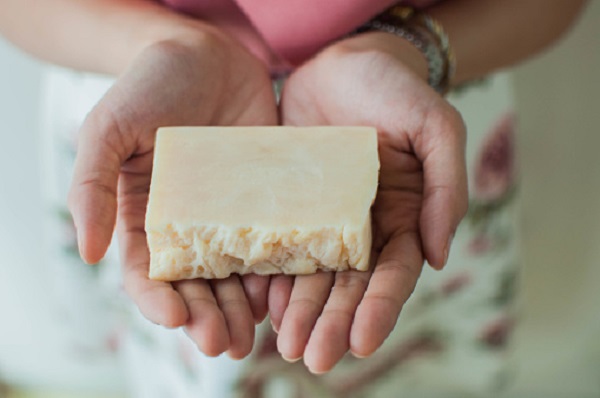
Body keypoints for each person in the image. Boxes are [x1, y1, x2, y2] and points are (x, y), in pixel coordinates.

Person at [0, 0, 588, 396]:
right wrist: (169, 42)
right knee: (192, 352)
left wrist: (408, 48)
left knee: (398, 352)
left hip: (407, 127)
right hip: (144, 105)